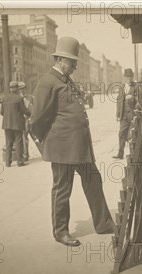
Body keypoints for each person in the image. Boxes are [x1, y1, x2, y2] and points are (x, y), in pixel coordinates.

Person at [30, 36, 115, 247]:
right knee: (62, 189)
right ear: (60, 60)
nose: (75, 66)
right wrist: (46, 143)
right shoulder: (48, 81)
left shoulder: (65, 81)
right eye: (72, 62)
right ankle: (60, 232)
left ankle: (103, 223)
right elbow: (37, 119)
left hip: (78, 147)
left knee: (93, 181)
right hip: (62, 148)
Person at [1, 81, 30, 167]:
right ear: (17, 89)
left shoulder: (4, 98)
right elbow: (24, 110)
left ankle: (8, 162)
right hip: (17, 124)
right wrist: (30, 114)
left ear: (10, 89)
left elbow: (2, 112)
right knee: (18, 142)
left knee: (8, 143)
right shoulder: (18, 98)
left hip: (7, 124)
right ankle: (20, 162)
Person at [113, 68, 138, 159]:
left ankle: (133, 154)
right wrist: (118, 115)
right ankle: (120, 153)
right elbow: (119, 102)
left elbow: (139, 99)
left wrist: (133, 98)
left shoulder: (136, 86)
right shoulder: (122, 87)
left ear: (133, 76)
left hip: (133, 115)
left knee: (132, 135)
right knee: (121, 133)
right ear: (125, 77)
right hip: (124, 115)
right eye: (127, 76)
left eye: (130, 76)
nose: (129, 78)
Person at [19, 81, 33, 161]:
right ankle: (25, 155)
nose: (22, 90)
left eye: (23, 88)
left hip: (30, 120)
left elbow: (35, 107)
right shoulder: (18, 98)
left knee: (38, 137)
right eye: (20, 89)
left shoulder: (30, 97)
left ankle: (44, 152)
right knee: (24, 138)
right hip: (23, 121)